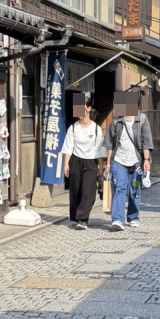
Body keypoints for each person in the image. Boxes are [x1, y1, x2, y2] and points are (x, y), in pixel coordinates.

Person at [101, 98, 153, 231]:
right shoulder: (116, 121)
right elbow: (110, 144)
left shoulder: (142, 120)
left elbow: (146, 142)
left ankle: (133, 217)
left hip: (137, 162)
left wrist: (146, 160)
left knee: (135, 189)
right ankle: (117, 219)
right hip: (119, 161)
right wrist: (108, 164)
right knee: (120, 187)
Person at [61, 95, 104, 230]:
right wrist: (65, 165)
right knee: (75, 190)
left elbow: (100, 150)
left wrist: (101, 169)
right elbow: (68, 147)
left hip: (91, 162)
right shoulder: (73, 128)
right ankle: (76, 216)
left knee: (88, 191)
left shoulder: (96, 129)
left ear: (88, 109)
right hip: (75, 160)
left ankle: (82, 220)